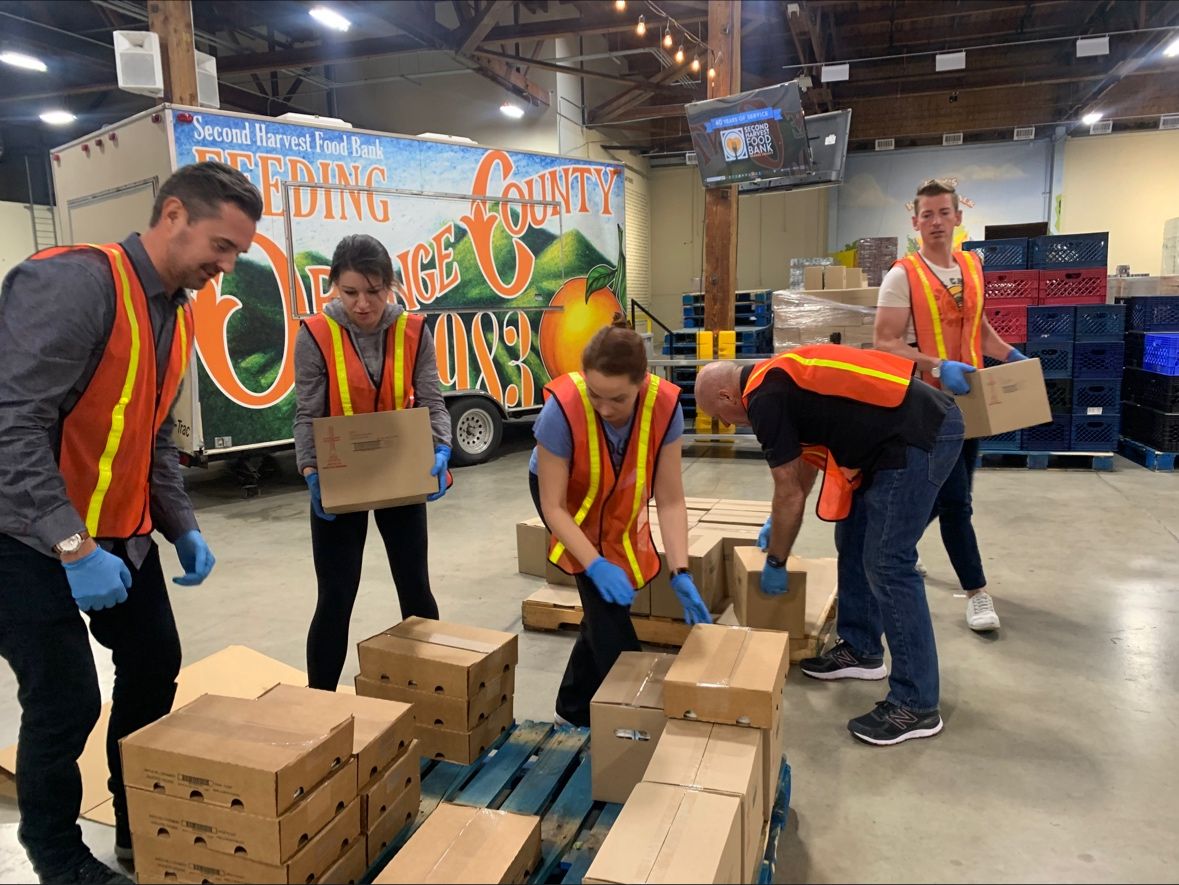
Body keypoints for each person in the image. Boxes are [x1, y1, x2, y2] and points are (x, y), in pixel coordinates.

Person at [0, 161, 262, 883]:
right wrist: (72, 545)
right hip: (24, 535)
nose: (226, 266)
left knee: (153, 664)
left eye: (237, 253)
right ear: (172, 214)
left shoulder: (175, 311)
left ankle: (138, 819)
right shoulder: (75, 283)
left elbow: (150, 437)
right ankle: (56, 857)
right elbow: (11, 427)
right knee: (66, 699)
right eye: (221, 245)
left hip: (120, 533)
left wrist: (180, 524)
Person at [695, 343, 963, 746]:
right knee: (851, 535)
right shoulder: (773, 382)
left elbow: (788, 492)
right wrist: (777, 521)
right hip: (892, 438)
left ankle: (916, 704)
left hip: (917, 435)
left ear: (726, 396)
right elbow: (804, 462)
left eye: (720, 416)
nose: (727, 424)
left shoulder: (764, 398)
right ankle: (861, 648)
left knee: (888, 563)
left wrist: (777, 559)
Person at [531, 316, 710, 727]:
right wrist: (594, 563)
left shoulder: (664, 408)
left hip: (612, 490)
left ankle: (572, 707)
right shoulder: (562, 411)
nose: (605, 408)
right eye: (596, 395)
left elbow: (670, 499)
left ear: (641, 383)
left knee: (602, 609)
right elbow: (555, 507)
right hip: (563, 495)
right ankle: (636, 720)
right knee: (609, 611)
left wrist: (680, 571)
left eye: (618, 399)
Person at [295, 234, 452, 692]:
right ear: (334, 287)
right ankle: (318, 703)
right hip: (339, 478)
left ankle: (433, 698)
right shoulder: (315, 335)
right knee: (336, 597)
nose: (362, 304)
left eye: (374, 291)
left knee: (415, 588)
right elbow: (307, 413)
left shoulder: (414, 331)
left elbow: (432, 399)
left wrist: (441, 449)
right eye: (350, 292)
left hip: (400, 476)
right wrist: (311, 472)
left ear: (391, 285)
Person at [874, 179, 1027, 633]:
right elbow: (885, 343)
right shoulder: (902, 275)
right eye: (928, 215)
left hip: (972, 401)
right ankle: (977, 593)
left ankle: (892, 547)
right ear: (915, 221)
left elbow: (978, 330)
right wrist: (939, 365)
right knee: (957, 501)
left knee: (949, 495)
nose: (936, 222)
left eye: (944, 213)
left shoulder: (971, 266)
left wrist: (1011, 356)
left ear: (958, 217)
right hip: (929, 404)